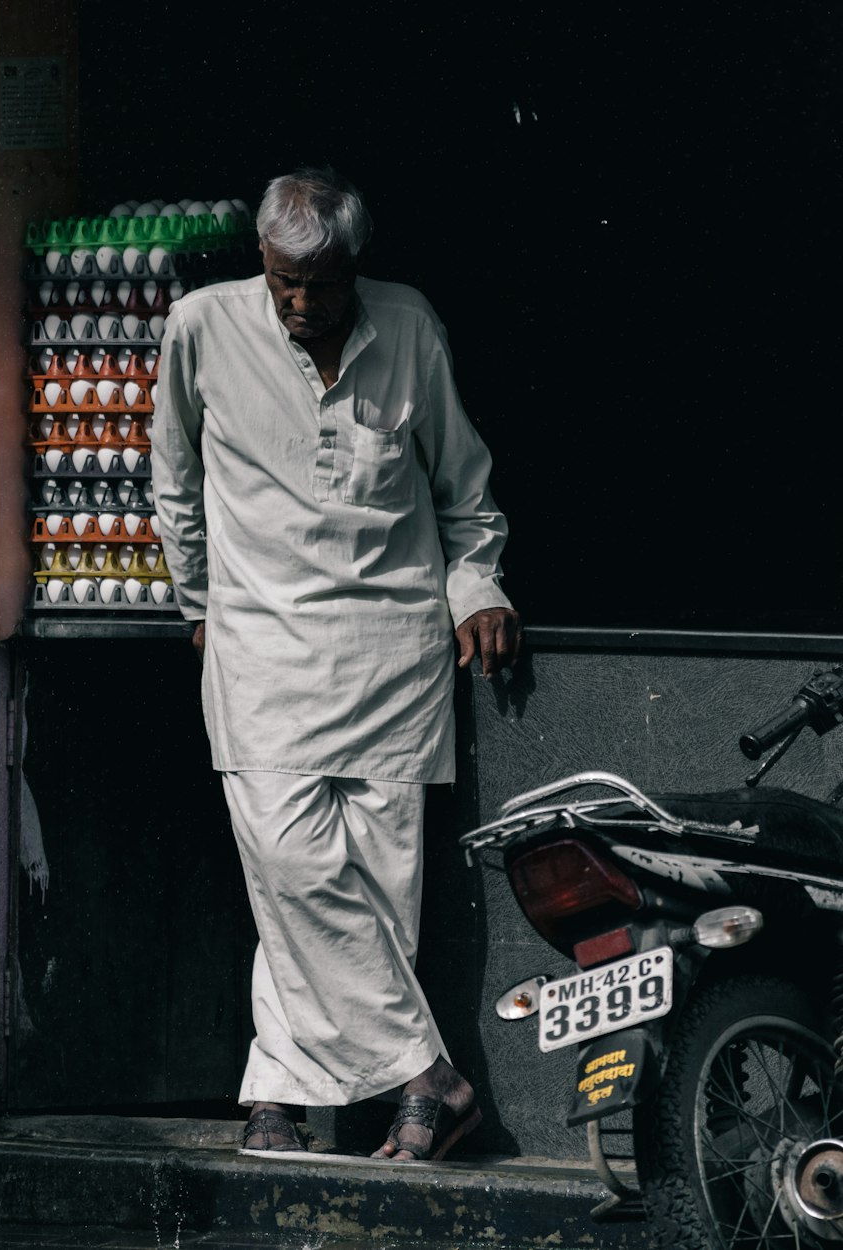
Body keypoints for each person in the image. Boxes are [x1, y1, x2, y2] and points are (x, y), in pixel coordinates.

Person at [152, 166, 521, 1161]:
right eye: (284, 283)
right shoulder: (199, 327)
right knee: (291, 865)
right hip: (261, 652)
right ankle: (429, 1075)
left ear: (356, 266)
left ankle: (282, 1092)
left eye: (321, 283)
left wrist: (476, 586)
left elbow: (464, 493)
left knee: (373, 887)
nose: (302, 304)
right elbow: (173, 485)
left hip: (393, 661)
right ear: (259, 264)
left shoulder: (409, 328)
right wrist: (201, 601)